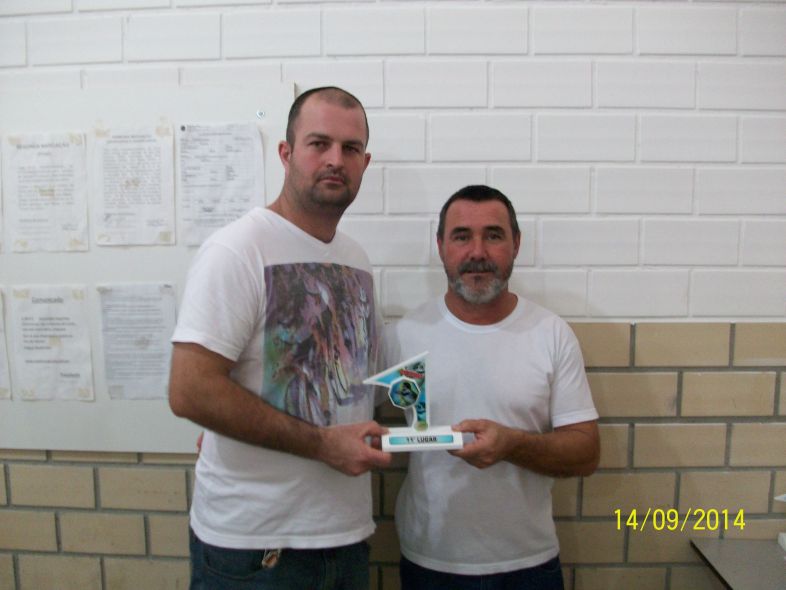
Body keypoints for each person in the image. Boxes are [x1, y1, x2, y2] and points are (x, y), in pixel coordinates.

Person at [169, 86, 392, 590]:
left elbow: (347, 387)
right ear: (286, 153)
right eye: (319, 143)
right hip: (256, 550)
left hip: (345, 535)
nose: (335, 160)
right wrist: (322, 445)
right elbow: (190, 390)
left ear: (364, 163)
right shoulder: (237, 250)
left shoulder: (355, 258)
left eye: (351, 149)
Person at [384, 185, 600, 590]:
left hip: (529, 568)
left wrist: (512, 445)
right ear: (440, 246)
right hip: (429, 565)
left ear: (516, 244)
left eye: (494, 236)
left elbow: (586, 453)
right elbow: (354, 422)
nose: (477, 252)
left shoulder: (551, 334)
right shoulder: (404, 335)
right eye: (461, 236)